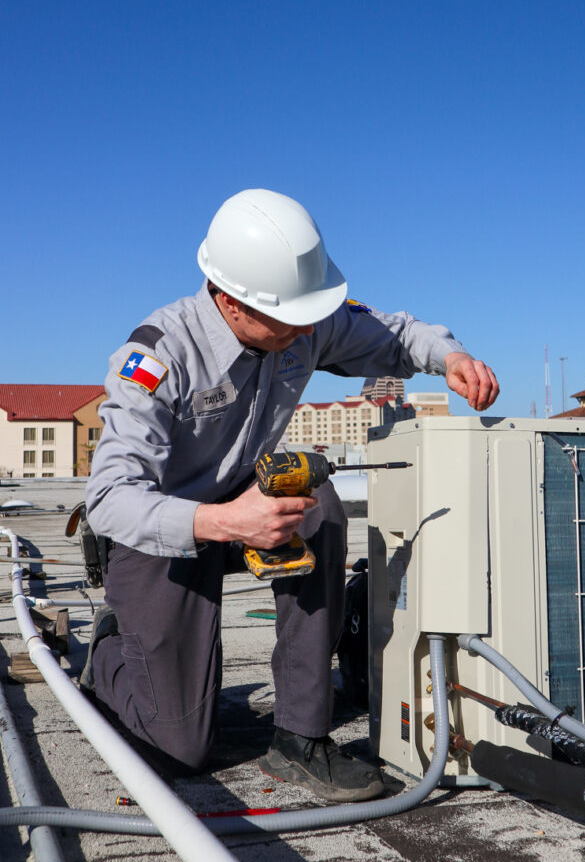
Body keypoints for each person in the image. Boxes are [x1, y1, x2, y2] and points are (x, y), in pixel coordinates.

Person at [83, 188, 499, 802]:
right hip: (164, 528)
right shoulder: (157, 356)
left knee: (320, 506)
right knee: (177, 748)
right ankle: (114, 653)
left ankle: (299, 737)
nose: (306, 328)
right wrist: (227, 522)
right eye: (290, 318)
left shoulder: (299, 324)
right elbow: (110, 496)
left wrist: (449, 355)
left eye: (311, 314)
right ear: (228, 299)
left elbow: (391, 333)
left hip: (242, 507)